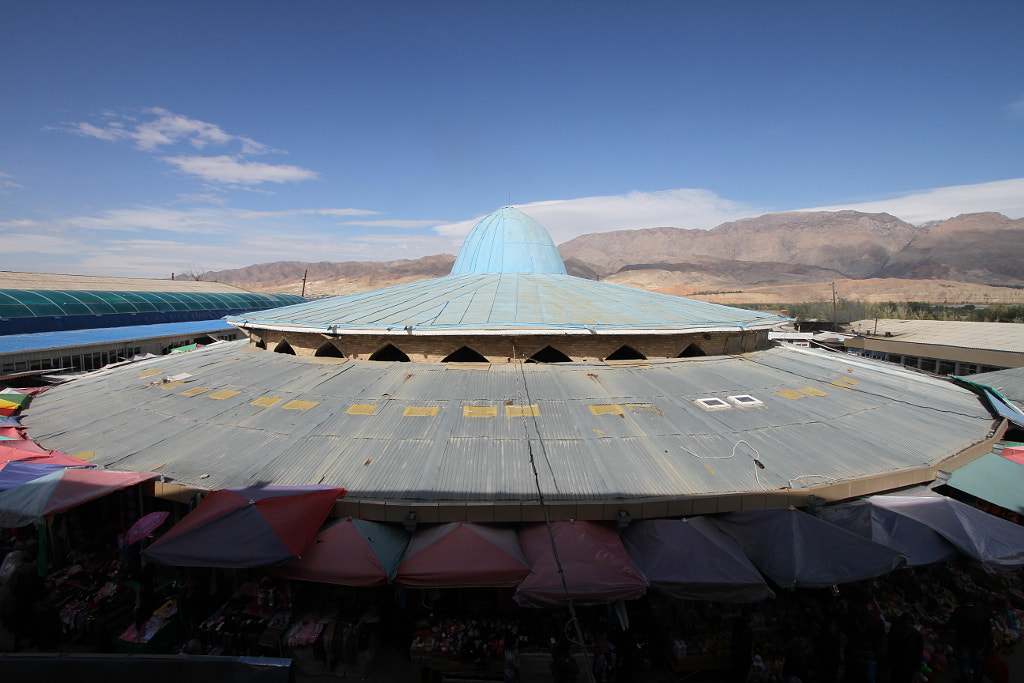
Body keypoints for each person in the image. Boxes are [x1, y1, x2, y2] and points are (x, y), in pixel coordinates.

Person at [886, 612, 923, 683]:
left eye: (909, 624)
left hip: (907, 665)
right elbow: (891, 646)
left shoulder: (917, 636)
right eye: (906, 624)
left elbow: (919, 653)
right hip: (898, 664)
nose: (908, 626)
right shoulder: (897, 631)